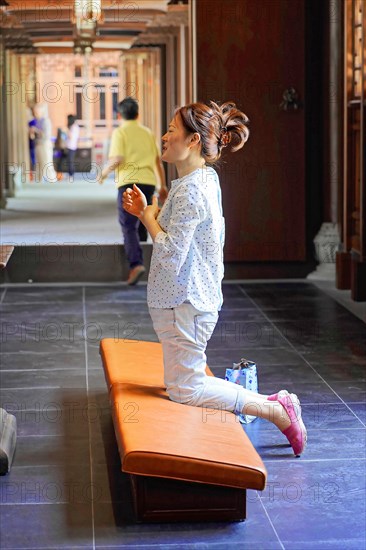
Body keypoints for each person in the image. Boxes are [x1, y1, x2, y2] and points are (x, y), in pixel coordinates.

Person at [122, 100, 307, 457]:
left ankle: (275, 408)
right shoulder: (201, 177)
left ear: (192, 141)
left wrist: (147, 217)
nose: (164, 136)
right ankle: (274, 404)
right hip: (187, 300)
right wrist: (148, 209)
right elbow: (183, 233)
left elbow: (173, 251)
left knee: (186, 389)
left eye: (172, 130)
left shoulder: (192, 188)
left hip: (184, 302)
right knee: (182, 383)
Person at [99, 97, 168, 285]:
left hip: (128, 182)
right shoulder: (147, 132)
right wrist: (162, 186)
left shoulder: (120, 132)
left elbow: (118, 158)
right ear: (138, 114)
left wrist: (103, 174)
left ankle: (136, 264)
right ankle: (152, 267)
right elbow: (157, 161)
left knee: (128, 225)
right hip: (147, 182)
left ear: (119, 115)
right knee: (145, 221)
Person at [33, 103, 57, 183]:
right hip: (38, 145)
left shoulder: (46, 121)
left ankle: (52, 180)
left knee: (47, 163)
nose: (35, 114)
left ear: (41, 112)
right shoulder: (38, 121)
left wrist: (36, 131)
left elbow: (46, 135)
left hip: (45, 145)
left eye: (36, 112)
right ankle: (38, 181)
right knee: (39, 164)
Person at [65, 114, 80, 179]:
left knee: (70, 161)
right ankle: (70, 174)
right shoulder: (74, 126)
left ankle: (71, 175)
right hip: (70, 146)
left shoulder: (74, 127)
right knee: (69, 161)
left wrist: (66, 130)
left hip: (71, 146)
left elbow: (71, 136)